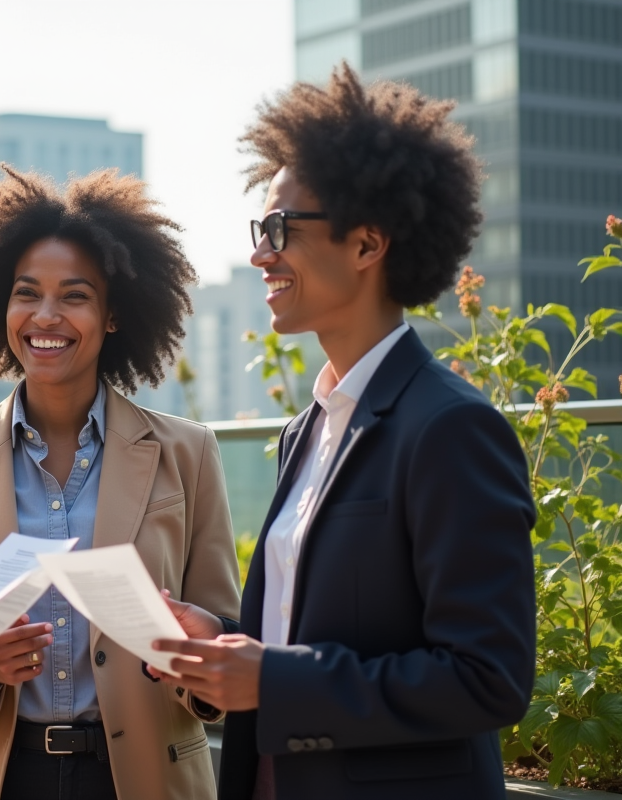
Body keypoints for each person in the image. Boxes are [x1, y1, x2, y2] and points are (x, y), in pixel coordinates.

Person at [149, 64, 537, 800]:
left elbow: (489, 678)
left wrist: (272, 678)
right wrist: (228, 645)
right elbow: (317, 637)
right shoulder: (306, 432)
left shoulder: (451, 428)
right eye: (260, 231)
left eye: (280, 229)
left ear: (366, 244)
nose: (260, 254)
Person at [0, 165, 242, 800]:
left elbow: (226, 637)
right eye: (26, 293)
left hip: (143, 779)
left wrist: (200, 652)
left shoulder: (187, 454)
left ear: (113, 315)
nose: (46, 316)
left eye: (75, 296)